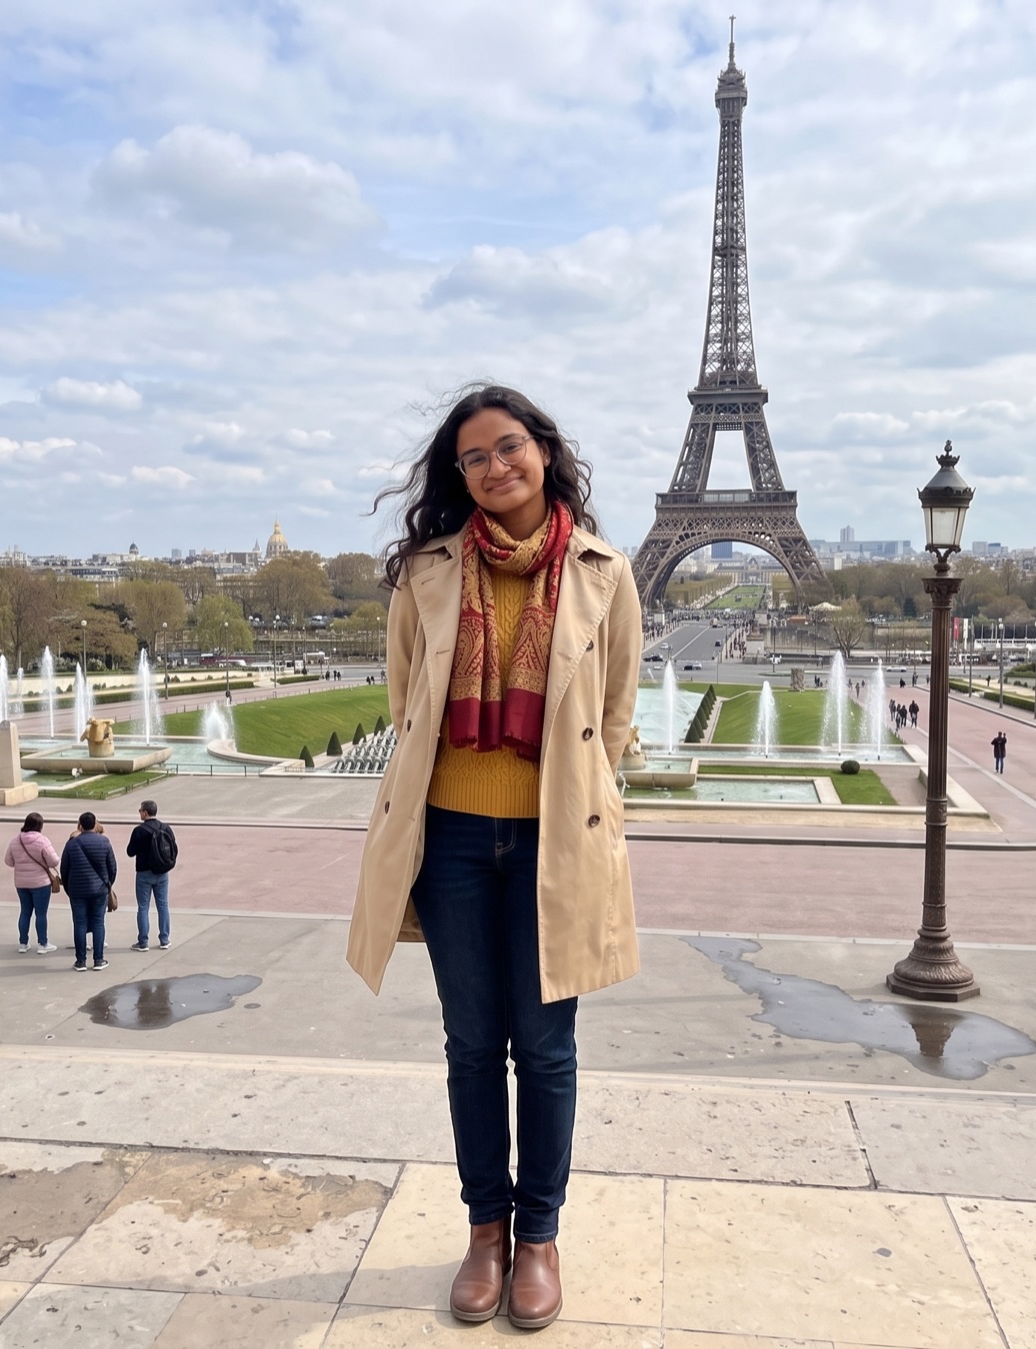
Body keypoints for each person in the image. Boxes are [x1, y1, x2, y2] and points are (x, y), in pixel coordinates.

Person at [348, 384, 642, 1331]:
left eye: (508, 447)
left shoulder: (607, 571)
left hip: (557, 835)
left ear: (544, 452)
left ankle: (541, 1238)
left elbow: (618, 715)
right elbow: (406, 702)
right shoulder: (425, 572)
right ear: (459, 473)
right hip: (454, 837)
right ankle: (487, 1231)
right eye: (474, 457)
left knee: (547, 1050)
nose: (493, 467)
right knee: (474, 1044)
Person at [60, 811, 116, 971]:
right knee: (98, 922)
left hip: (77, 890)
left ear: (81, 825)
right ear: (95, 824)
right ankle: (99, 960)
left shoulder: (71, 844)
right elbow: (112, 867)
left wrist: (69, 888)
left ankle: (81, 961)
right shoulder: (104, 842)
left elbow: (64, 869)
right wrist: (108, 884)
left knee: (79, 924)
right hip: (99, 889)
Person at [3, 813, 59, 954]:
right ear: (40, 826)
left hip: (21, 883)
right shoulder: (42, 841)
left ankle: (23, 943)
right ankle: (42, 943)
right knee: (41, 914)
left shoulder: (16, 841)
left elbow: (8, 861)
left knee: (25, 912)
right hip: (40, 883)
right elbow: (54, 861)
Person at [127, 799, 179, 950]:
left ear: (145, 812)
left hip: (144, 872)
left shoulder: (139, 830)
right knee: (163, 905)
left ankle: (143, 941)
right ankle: (164, 938)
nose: (139, 813)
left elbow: (130, 852)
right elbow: (174, 848)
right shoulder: (165, 828)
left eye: (140, 811)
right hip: (162, 872)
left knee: (143, 907)